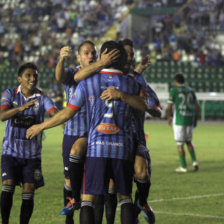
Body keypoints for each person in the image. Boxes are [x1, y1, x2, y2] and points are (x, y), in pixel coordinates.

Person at [26, 40, 151, 224]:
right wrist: (122, 95)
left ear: (103, 56)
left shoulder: (88, 82)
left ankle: (74, 200)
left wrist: (41, 126)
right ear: (122, 58)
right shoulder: (130, 84)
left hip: (96, 149)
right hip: (121, 150)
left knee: (88, 200)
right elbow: (144, 106)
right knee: (124, 198)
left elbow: (68, 112)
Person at [55, 41, 120, 223]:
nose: (90, 56)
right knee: (69, 180)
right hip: (72, 133)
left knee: (94, 186)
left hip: (93, 136)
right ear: (78, 57)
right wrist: (61, 59)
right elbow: (60, 77)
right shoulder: (74, 73)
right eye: (86, 53)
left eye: (93, 53)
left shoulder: (101, 74)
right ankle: (69, 219)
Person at [98, 38, 161, 224]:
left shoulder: (138, 80)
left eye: (132, 54)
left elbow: (156, 110)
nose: (130, 58)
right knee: (112, 186)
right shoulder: (105, 78)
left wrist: (141, 103)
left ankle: (140, 204)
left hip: (136, 139)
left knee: (142, 173)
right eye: (126, 54)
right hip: (111, 138)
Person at [0, 63, 58, 224]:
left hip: (32, 156)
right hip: (10, 153)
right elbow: (3, 115)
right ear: (20, 78)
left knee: (29, 190)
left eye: (35, 76)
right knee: (8, 185)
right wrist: (20, 108)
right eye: (28, 75)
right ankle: (4, 221)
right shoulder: (10, 94)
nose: (33, 79)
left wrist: (55, 118)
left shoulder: (42, 97)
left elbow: (54, 113)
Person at [167, 73, 200, 173]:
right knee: (189, 141)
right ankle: (195, 162)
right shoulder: (191, 90)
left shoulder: (174, 90)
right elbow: (197, 106)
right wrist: (195, 119)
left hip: (179, 121)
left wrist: (169, 117)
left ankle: (183, 167)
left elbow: (169, 106)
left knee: (180, 144)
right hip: (189, 119)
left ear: (176, 81)